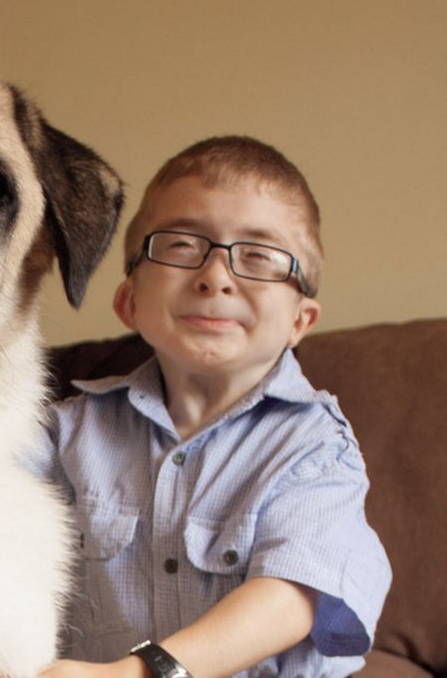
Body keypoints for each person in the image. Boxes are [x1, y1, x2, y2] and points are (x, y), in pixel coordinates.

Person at [30, 136, 391, 678]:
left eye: (259, 256)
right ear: (129, 301)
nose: (216, 276)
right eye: (180, 245)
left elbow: (291, 596)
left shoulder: (316, 447)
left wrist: (139, 674)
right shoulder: (64, 434)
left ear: (300, 322)